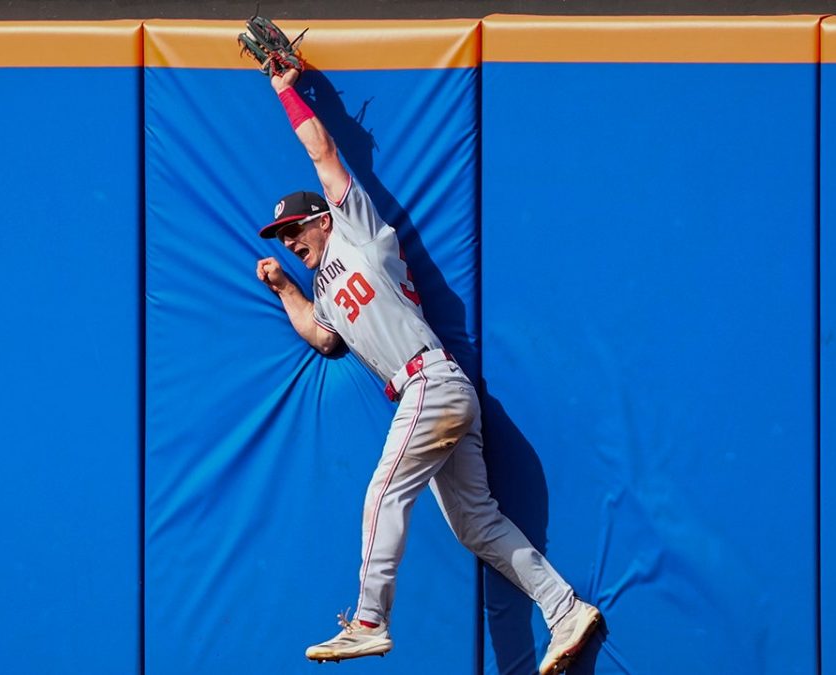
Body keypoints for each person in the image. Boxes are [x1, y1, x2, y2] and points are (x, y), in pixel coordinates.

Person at [253, 66, 601, 674]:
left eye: (293, 229)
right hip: (431, 394)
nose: (288, 239)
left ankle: (368, 621)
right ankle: (564, 608)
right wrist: (285, 286)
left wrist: (286, 90)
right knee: (475, 524)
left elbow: (324, 151)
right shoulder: (324, 288)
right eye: (281, 236)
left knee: (382, 493)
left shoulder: (355, 230)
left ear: (322, 219)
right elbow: (322, 338)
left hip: (429, 382)